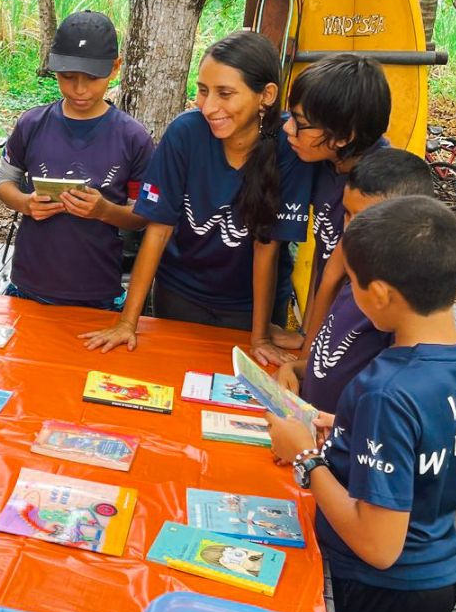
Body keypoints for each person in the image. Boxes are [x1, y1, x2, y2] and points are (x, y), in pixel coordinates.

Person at [266, 196, 456, 612]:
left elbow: (379, 546)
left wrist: (307, 458)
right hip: (437, 577)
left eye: (352, 283)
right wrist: (351, 431)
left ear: (378, 294)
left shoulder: (384, 390)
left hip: (380, 585)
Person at [82, 30, 314, 363]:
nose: (208, 107)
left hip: (253, 310)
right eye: (203, 91)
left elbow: (267, 245)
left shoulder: (289, 146)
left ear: (266, 95)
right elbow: (158, 230)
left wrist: (260, 336)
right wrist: (127, 323)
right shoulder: (186, 133)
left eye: (225, 93)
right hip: (180, 296)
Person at [0, 11, 154, 309]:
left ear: (115, 68)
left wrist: (104, 210)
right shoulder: (32, 124)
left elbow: (142, 214)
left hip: (97, 291)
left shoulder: (133, 137)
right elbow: (3, 181)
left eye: (92, 78)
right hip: (28, 285)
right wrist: (25, 203)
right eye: (67, 77)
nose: (80, 89)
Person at [278, 149, 433, 415]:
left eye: (362, 219)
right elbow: (332, 366)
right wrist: (294, 368)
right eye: (347, 214)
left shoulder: (393, 310)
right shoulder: (355, 280)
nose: (349, 229)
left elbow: (384, 408)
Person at [283, 54, 391, 340]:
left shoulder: (379, 191)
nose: (287, 128)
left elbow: (338, 279)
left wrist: (311, 352)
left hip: (359, 339)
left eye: (299, 122)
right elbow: (323, 261)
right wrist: (307, 335)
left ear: (343, 136)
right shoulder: (328, 163)